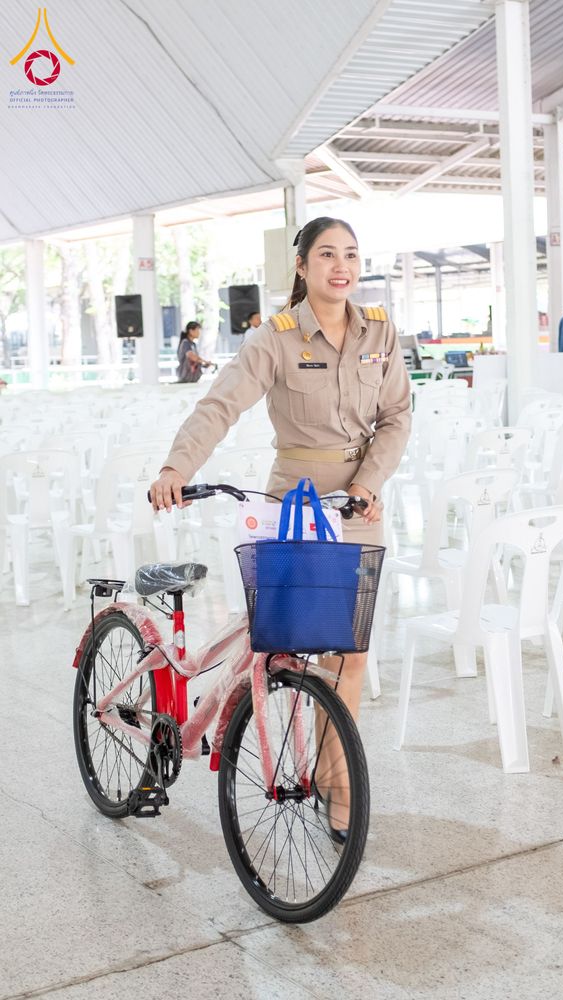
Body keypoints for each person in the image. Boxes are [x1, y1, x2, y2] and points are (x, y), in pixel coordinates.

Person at [150, 216, 412, 838]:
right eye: (326, 254)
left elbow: (398, 416)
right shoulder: (278, 336)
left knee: (350, 654)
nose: (341, 266)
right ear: (302, 266)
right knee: (294, 648)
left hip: (357, 509)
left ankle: (336, 775)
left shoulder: (380, 331)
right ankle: (297, 752)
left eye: (350, 254)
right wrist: (174, 467)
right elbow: (221, 404)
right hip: (294, 506)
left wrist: (368, 484)